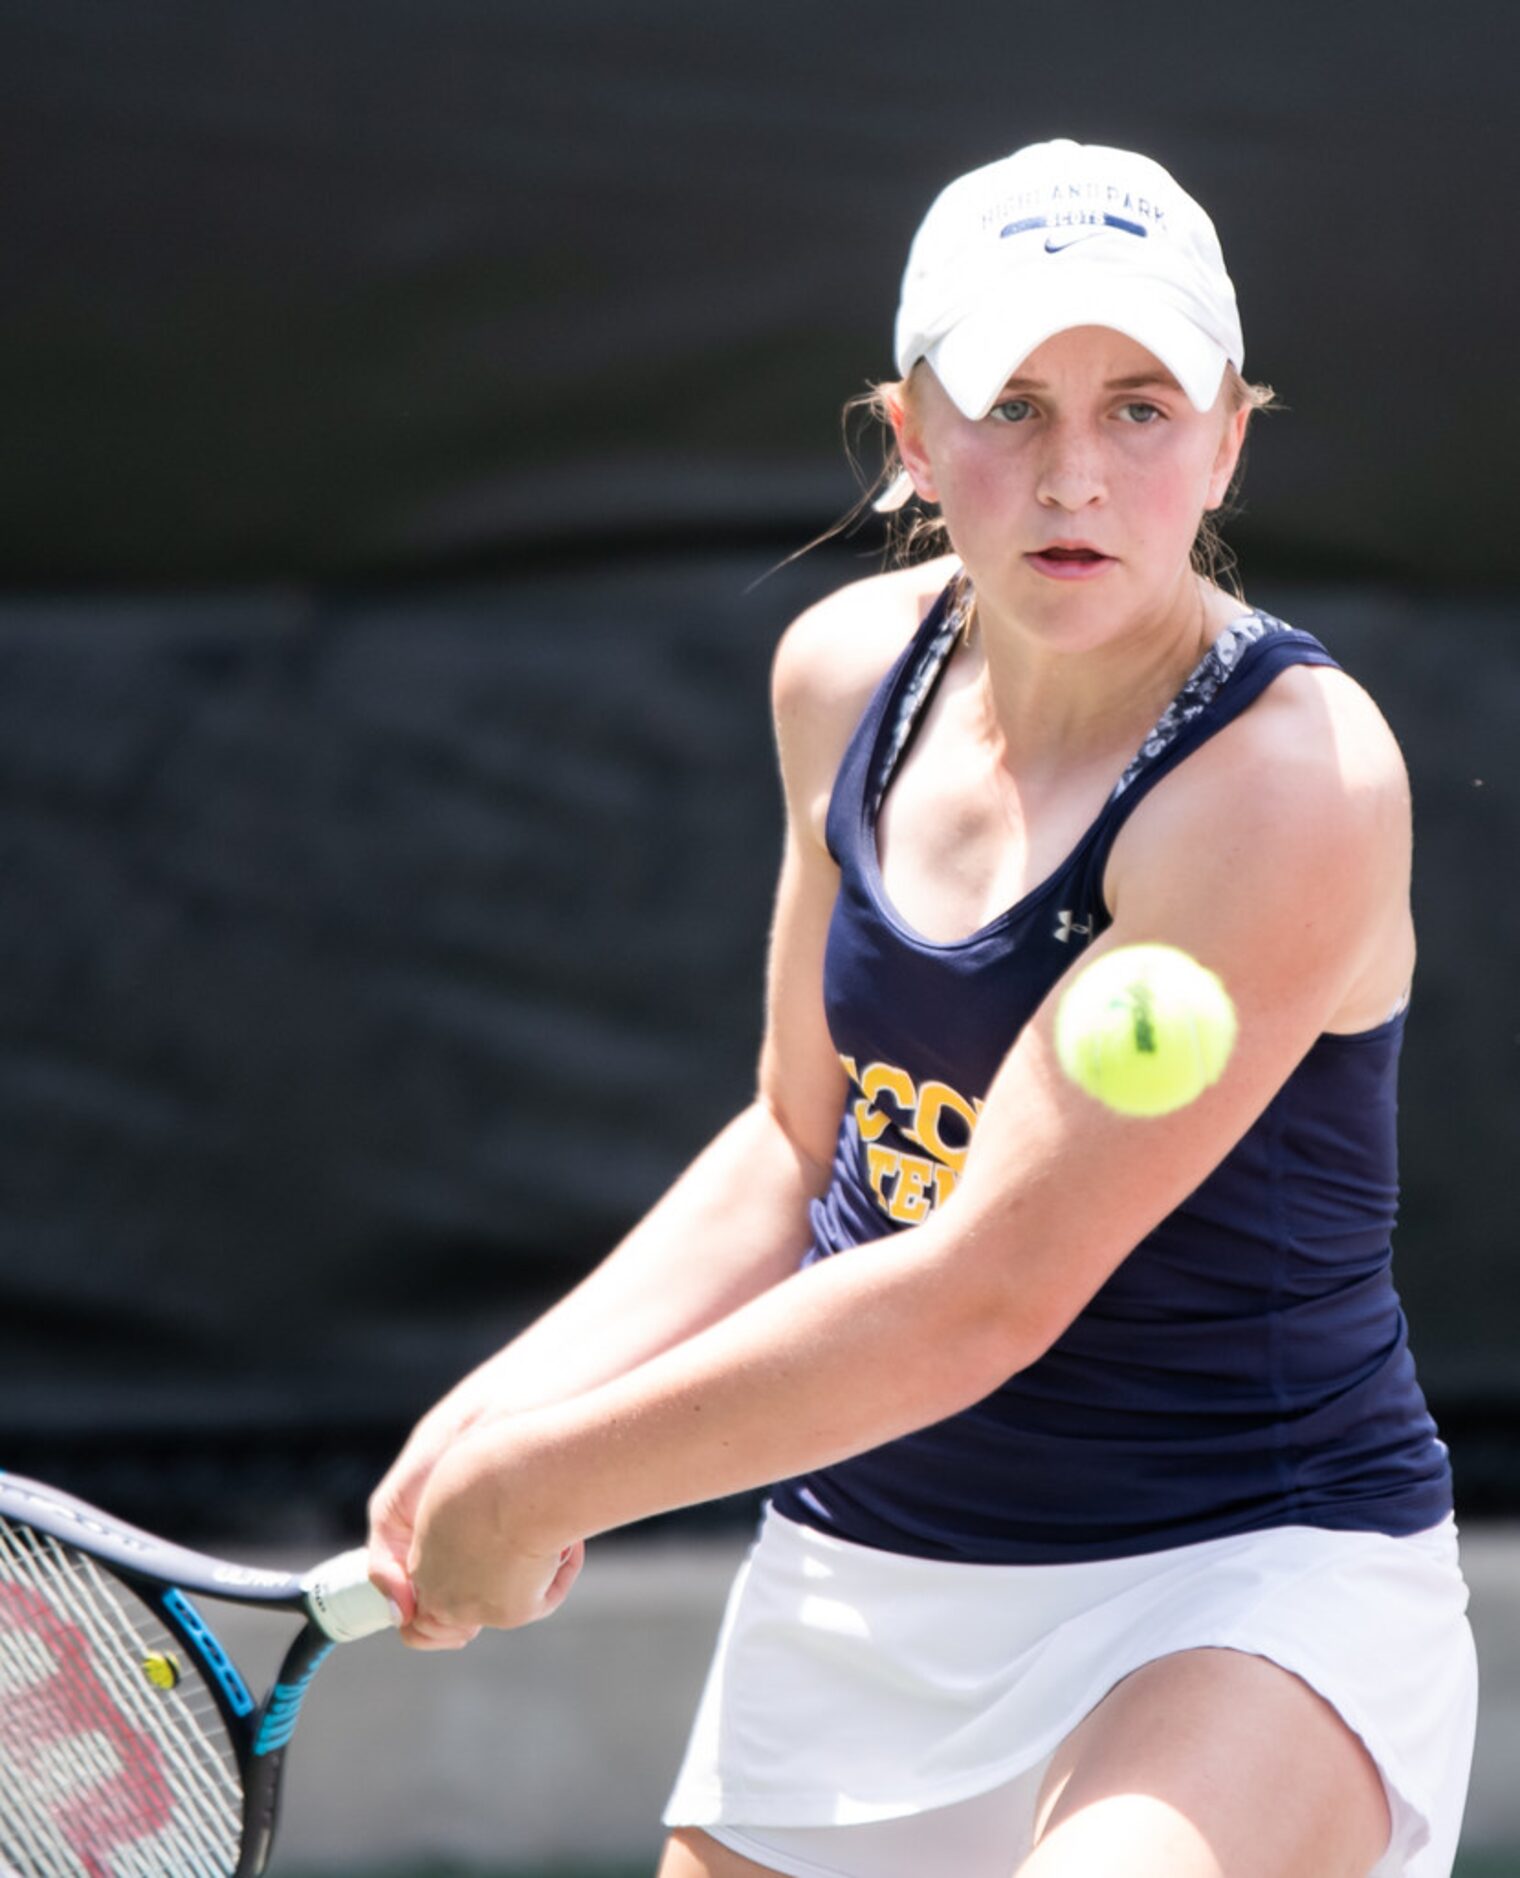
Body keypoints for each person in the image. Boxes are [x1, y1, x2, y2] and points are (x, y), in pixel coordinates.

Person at [366, 140, 1478, 1877]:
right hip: (869, 1575)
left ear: (1228, 439)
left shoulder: (1292, 786)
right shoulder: (843, 678)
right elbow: (794, 1142)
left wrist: (551, 1484)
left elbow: (985, 1295)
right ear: (908, 437)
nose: (1073, 475)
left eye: (1138, 408)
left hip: (1247, 1581)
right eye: (1011, 405)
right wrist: (502, 1410)